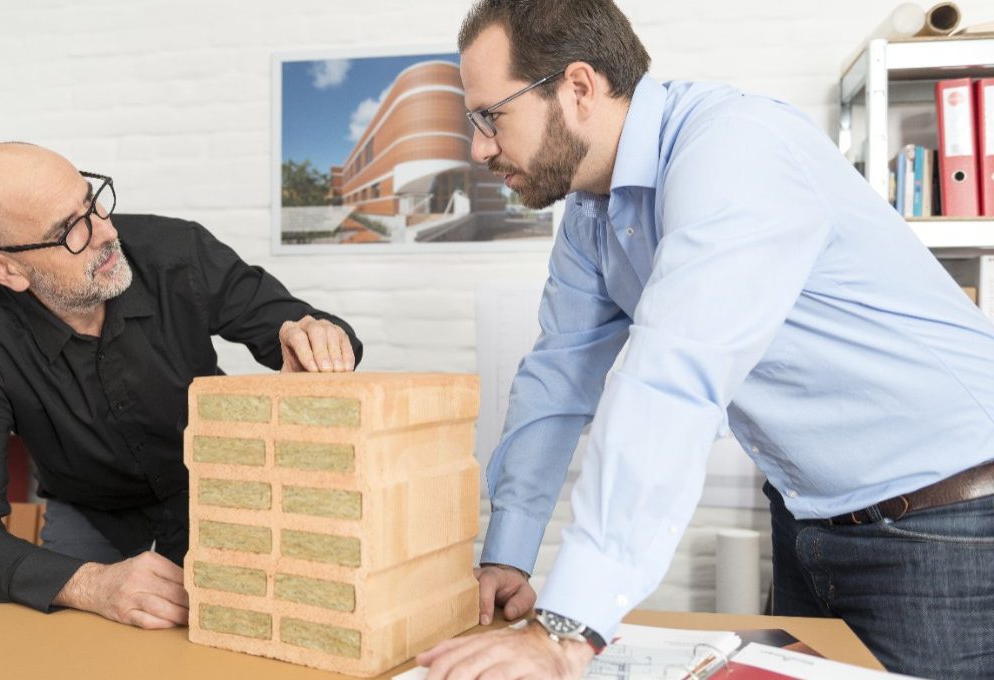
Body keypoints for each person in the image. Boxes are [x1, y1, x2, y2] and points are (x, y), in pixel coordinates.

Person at [418, 1, 994, 678]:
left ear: (578, 88)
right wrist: (508, 552)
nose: (481, 147)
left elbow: (671, 379)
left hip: (946, 522)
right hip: (811, 520)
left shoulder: (734, 148)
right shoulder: (590, 213)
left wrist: (567, 630)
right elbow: (559, 375)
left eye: (491, 116)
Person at [0, 142, 362, 630]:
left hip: (214, 487)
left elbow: (305, 328)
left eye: (93, 201)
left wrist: (313, 337)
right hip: (91, 509)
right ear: (6, 269)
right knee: (79, 647)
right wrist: (92, 585)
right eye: (70, 230)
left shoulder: (174, 251)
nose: (106, 232)